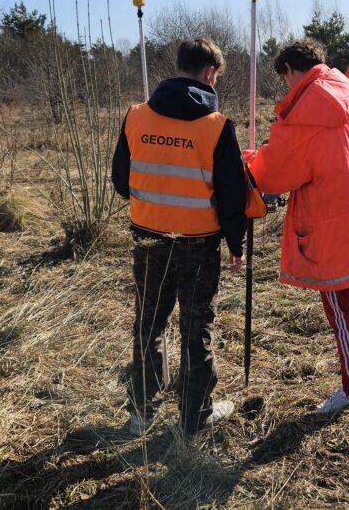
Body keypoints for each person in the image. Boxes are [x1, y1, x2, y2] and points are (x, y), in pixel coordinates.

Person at [245, 39, 349, 414]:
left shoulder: (297, 123)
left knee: (344, 313)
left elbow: (272, 175)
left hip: (332, 237)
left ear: (290, 72)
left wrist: (251, 159)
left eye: (285, 80)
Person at [111, 37, 245, 436]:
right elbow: (232, 196)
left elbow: (121, 181)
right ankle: (194, 418)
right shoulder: (218, 127)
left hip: (148, 240)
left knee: (149, 325)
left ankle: (142, 414)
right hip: (199, 246)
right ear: (209, 73)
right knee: (196, 327)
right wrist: (236, 245)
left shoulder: (136, 116)